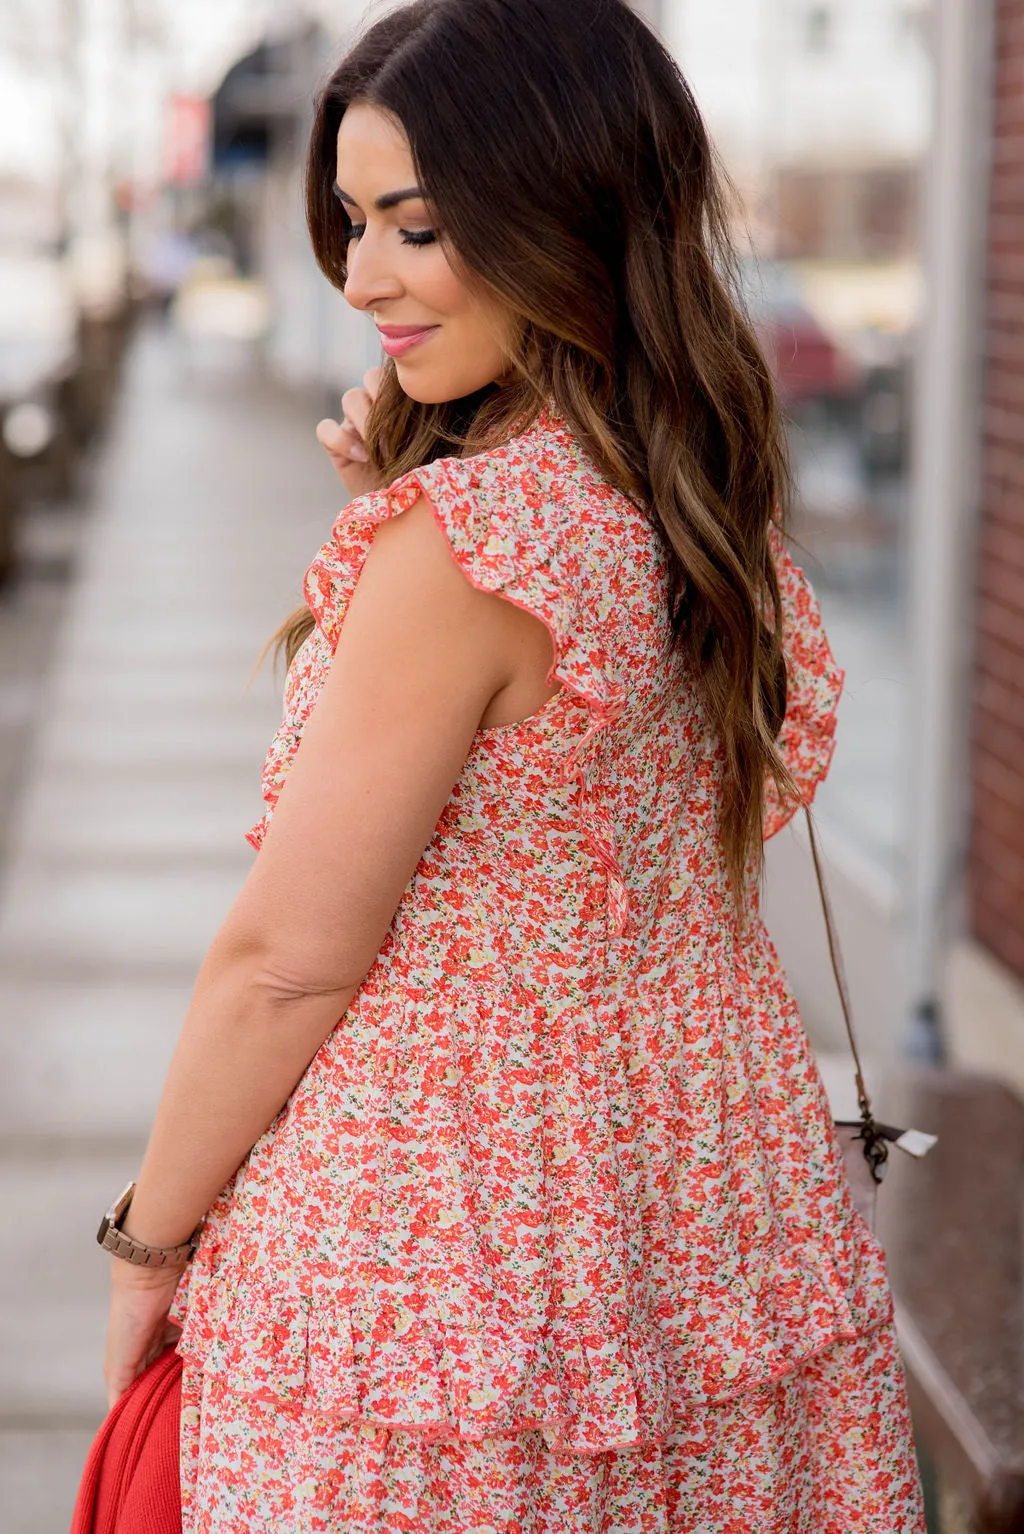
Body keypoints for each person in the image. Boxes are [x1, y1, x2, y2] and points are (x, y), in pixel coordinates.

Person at [98, 1, 926, 1528]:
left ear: (565, 210)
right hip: (715, 1223)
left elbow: (283, 961)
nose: (362, 280)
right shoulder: (697, 506)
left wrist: (147, 1244)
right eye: (351, 225)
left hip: (450, 1267)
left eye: (416, 227)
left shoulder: (470, 552)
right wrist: (407, 495)